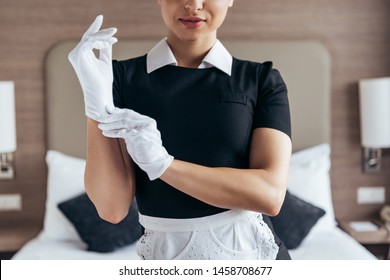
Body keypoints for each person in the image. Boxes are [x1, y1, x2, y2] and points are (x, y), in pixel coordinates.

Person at [68, 0, 292, 260]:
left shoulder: (261, 80)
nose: (193, 5)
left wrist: (162, 165)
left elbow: (270, 196)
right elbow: (112, 208)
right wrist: (96, 107)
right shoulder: (118, 79)